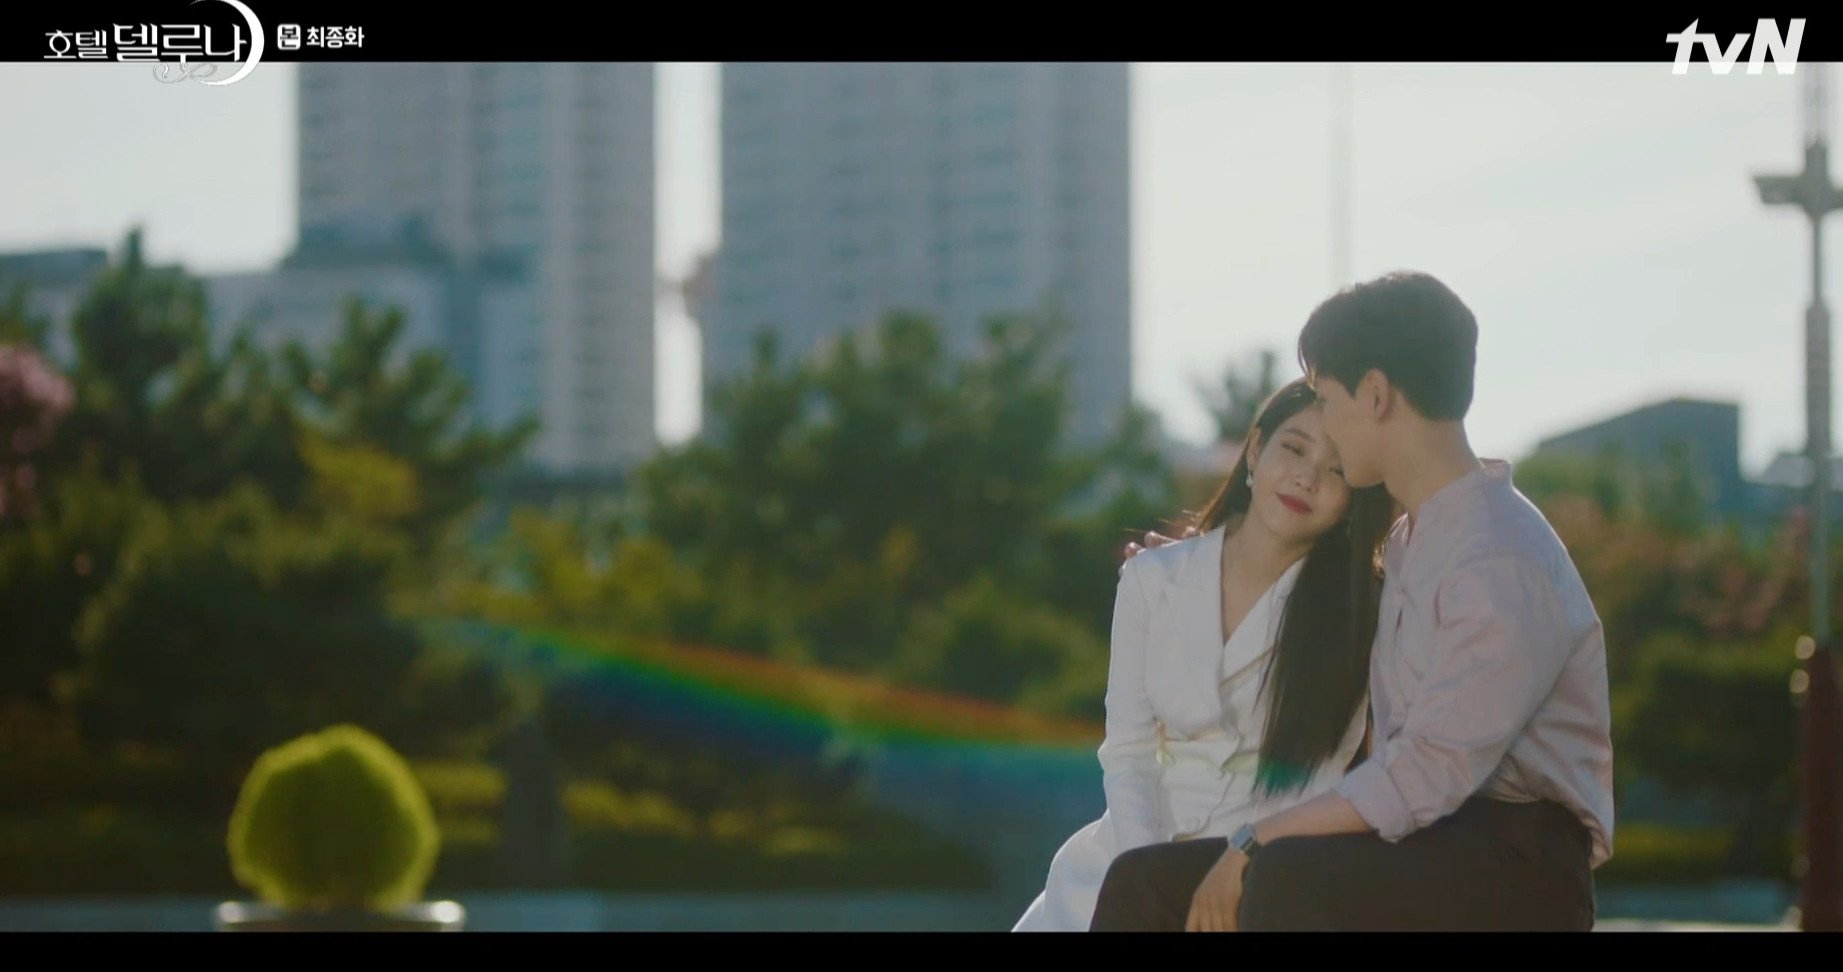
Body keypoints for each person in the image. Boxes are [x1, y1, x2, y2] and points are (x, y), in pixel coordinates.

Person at [1089, 270, 1614, 932]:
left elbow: (1425, 773)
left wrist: (1255, 838)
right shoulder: (1412, 541)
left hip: (1515, 861)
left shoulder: (1497, 558)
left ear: (1374, 395)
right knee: (1145, 884)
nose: (1327, 426)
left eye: (1326, 398)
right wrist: (1193, 570)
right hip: (1427, 841)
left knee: (1277, 879)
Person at [1013, 378, 1394, 931]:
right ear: (1255, 450)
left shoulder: (1359, 614)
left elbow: (1322, 779)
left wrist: (1246, 865)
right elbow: (1128, 751)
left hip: (1254, 871)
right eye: (1293, 448)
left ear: (1354, 498)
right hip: (1129, 854)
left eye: (1336, 470)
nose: (1306, 478)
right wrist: (1144, 870)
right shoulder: (1152, 578)